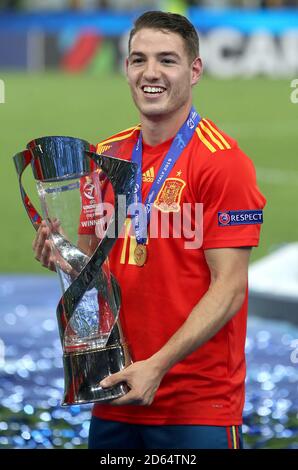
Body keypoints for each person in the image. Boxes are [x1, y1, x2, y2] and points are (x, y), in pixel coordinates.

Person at [33, 11, 266, 449]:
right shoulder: (104, 157)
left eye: (167, 60)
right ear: (126, 69)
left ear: (195, 70)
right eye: (139, 59)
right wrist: (62, 258)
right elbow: (90, 267)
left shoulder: (223, 163)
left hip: (197, 408)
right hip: (114, 392)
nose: (151, 73)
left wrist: (157, 365)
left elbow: (230, 288)